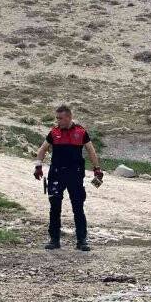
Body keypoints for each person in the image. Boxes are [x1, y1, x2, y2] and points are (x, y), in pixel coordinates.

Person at [34, 105, 103, 251]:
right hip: (56, 174)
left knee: (78, 207)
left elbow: (91, 150)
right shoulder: (53, 132)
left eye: (61, 118)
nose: (58, 121)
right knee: (54, 208)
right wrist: (38, 166)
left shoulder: (81, 132)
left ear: (69, 117)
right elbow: (42, 149)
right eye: (57, 118)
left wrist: (97, 169)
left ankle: (82, 241)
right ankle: (54, 240)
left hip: (75, 174)